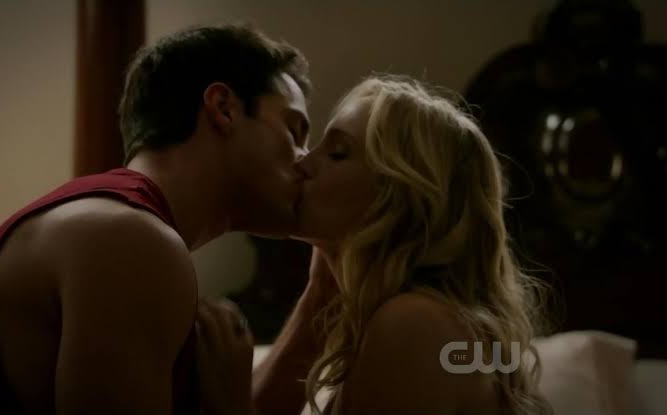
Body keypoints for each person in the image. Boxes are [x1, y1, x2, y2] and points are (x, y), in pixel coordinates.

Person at [0, 24, 311, 414]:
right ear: (223, 108)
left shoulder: (122, 225)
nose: (306, 160)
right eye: (295, 130)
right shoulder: (129, 240)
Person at [195, 75, 554, 414]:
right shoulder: (421, 319)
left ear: (402, 199)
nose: (303, 161)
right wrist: (321, 292)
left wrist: (227, 401)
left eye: (337, 153)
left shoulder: (413, 325)